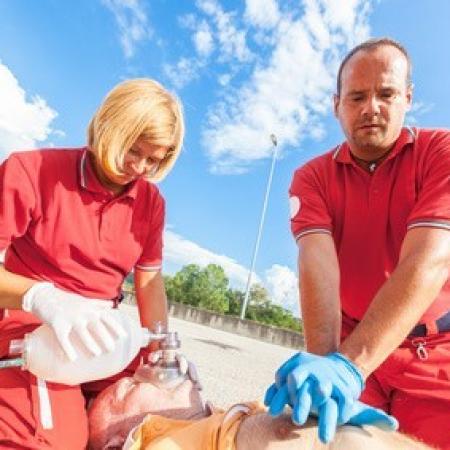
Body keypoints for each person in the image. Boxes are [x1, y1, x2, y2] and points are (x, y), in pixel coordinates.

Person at [264, 37, 450, 449]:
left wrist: (348, 366)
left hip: (436, 351)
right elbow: (317, 264)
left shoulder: (442, 151)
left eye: (385, 93)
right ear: (336, 105)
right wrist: (325, 371)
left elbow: (431, 258)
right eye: (356, 96)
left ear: (407, 96)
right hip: (349, 340)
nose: (371, 108)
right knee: (321, 439)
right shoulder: (311, 177)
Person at [0, 78, 184, 449]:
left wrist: (162, 349)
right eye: (133, 150)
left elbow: (149, 283)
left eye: (155, 159)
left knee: (167, 425)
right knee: (54, 441)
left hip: (104, 333)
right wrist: (42, 298)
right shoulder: (30, 171)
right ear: (107, 124)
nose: (140, 167)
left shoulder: (151, 203)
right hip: (34, 327)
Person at [87, 374, 431, 450]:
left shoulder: (217, 415)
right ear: (118, 440)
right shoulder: (156, 442)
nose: (148, 373)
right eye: (128, 388)